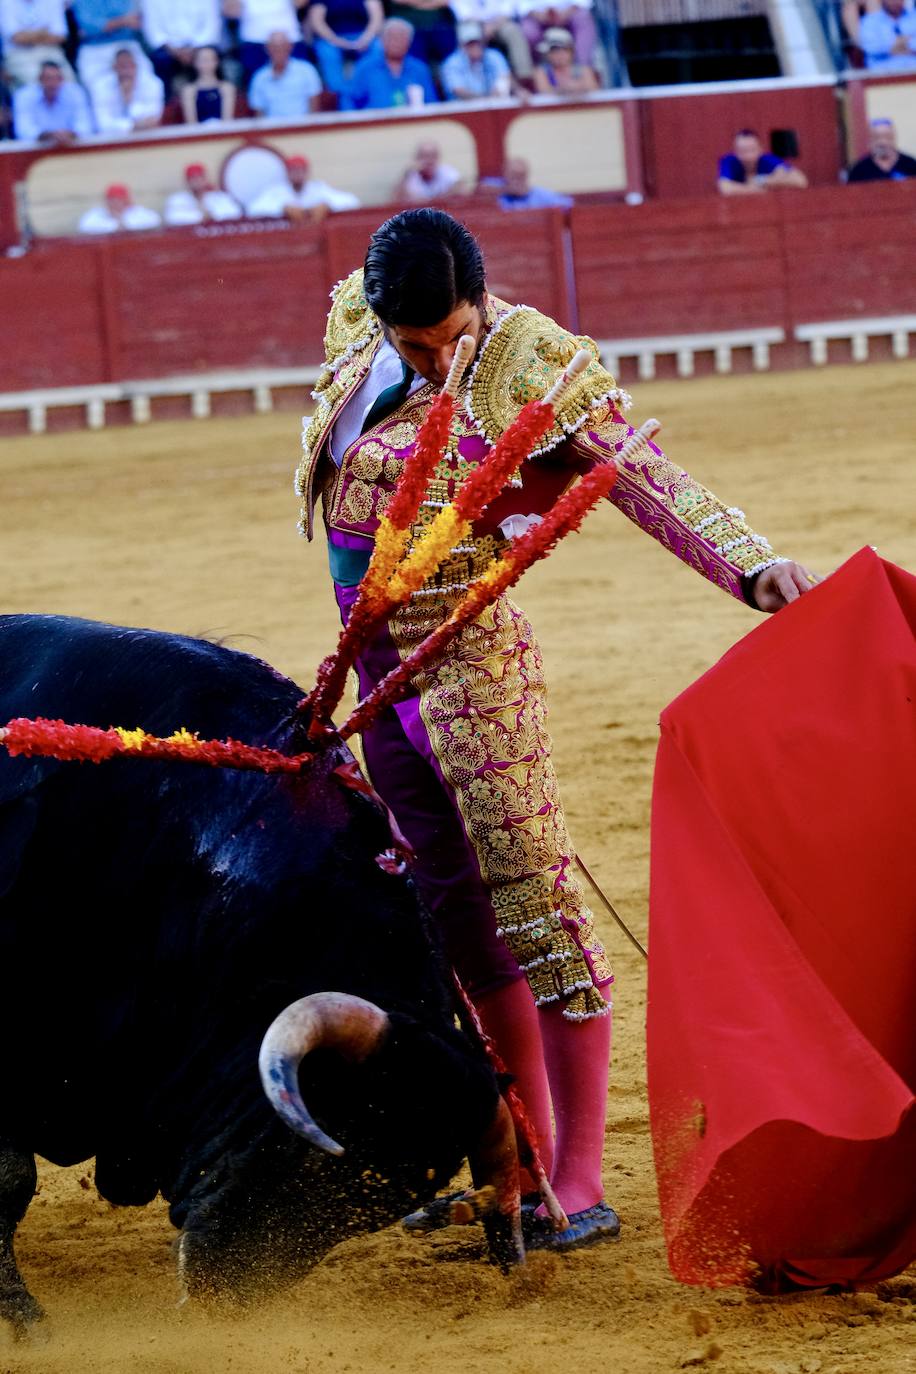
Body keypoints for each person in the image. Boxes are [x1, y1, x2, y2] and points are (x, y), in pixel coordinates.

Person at [295, 208, 818, 1251]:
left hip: (474, 667)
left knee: (536, 909)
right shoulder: (355, 324)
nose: (440, 359)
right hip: (376, 674)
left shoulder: (530, 357)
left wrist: (748, 563)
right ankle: (515, 1154)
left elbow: (640, 476)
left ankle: (575, 1176)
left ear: (480, 300)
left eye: (454, 337)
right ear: (378, 315)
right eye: (417, 347)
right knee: (448, 916)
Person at [342, 17, 436, 110]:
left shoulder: (420, 69)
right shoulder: (365, 67)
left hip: (414, 123)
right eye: (392, 37)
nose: (397, 42)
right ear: (382, 40)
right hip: (375, 123)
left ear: (410, 42)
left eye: (402, 38)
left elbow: (432, 104)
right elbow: (349, 101)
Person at [141, 0, 222, 97]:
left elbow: (211, 26)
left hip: (199, 45)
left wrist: (193, 49)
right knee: (160, 60)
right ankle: (167, 104)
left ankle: (212, 100)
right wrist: (174, 51)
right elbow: (153, 30)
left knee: (208, 58)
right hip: (168, 48)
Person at [306, 0, 384, 100]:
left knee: (377, 47)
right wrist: (338, 42)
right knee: (326, 52)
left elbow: (376, 18)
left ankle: (372, 88)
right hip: (332, 39)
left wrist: (365, 40)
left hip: (363, 37)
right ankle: (339, 94)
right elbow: (317, 22)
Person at [223, 0, 309, 86]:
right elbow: (231, 12)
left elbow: (300, 3)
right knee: (256, 84)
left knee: (298, 82)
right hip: (254, 41)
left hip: (288, 38)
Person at [247, 152, 359, 217]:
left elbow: (352, 201)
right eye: (293, 171)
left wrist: (327, 205)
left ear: (307, 172)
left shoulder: (317, 188)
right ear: (287, 173)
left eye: (301, 171)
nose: (297, 174)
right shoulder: (277, 191)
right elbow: (253, 209)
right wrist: (283, 209)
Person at [70, 0, 151, 87]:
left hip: (127, 44)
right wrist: (123, 21)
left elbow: (135, 20)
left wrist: (111, 24)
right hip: (94, 49)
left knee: (149, 82)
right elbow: (88, 28)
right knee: (98, 87)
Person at [88, 46, 165, 135]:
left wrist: (129, 101)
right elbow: (103, 124)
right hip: (113, 140)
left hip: (147, 136)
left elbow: (154, 118)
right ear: (114, 68)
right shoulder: (100, 87)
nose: (126, 72)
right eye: (122, 67)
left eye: (130, 66)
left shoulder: (153, 84)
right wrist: (132, 126)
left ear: (136, 66)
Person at [11, 56, 92, 141]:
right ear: (39, 79)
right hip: (38, 149)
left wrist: (71, 134)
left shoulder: (75, 92)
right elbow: (23, 130)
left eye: (57, 78)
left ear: (63, 79)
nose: (53, 83)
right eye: (48, 78)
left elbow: (85, 126)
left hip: (71, 146)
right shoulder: (24, 96)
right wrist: (47, 136)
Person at [247, 29, 322, 117]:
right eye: (274, 47)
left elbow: (314, 109)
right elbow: (259, 114)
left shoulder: (306, 70)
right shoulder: (259, 77)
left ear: (290, 47)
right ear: (267, 49)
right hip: (272, 129)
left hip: (303, 127)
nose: (279, 51)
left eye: (282, 46)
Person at [450, 0, 532, 80]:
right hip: (473, 24)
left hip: (500, 23)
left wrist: (492, 27)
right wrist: (482, 27)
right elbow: (463, 14)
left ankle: (524, 77)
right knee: (470, 35)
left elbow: (508, 10)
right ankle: (469, 81)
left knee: (512, 31)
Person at [0, 0, 72, 88]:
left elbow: (60, 37)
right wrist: (44, 32)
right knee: (37, 83)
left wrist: (27, 35)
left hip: (50, 51)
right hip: (19, 54)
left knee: (69, 82)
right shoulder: (5, 2)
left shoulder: (53, 1)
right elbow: (17, 38)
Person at [717, 127, 808, 195]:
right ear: (735, 152)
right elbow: (725, 188)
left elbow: (800, 181)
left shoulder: (768, 160)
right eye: (743, 151)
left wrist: (762, 180)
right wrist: (755, 190)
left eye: (752, 149)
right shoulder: (729, 162)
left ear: (760, 149)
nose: (748, 155)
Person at [517, 0, 597, 72]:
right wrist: (538, 15)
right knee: (527, 32)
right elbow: (518, 5)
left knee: (583, 20)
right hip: (534, 15)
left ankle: (584, 69)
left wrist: (566, 13)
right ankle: (534, 74)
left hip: (571, 12)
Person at [440, 19, 511, 98]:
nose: (475, 47)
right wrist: (485, 100)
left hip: (493, 103)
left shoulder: (494, 56)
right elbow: (458, 90)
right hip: (463, 107)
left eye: (477, 42)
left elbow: (504, 77)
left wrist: (497, 93)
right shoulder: (452, 63)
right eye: (470, 44)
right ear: (461, 45)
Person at [163, 162, 242, 225]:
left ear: (205, 179)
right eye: (193, 178)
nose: (197, 181)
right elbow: (172, 218)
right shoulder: (178, 200)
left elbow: (234, 213)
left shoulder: (219, 197)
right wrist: (200, 218)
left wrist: (213, 215)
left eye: (200, 177)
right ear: (187, 181)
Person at [179, 43, 236, 124]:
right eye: (203, 60)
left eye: (210, 59)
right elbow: (191, 123)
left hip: (222, 133)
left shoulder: (226, 87)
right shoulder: (189, 90)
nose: (207, 63)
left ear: (217, 62)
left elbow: (227, 121)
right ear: (195, 63)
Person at [531, 24, 597, 94]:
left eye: (564, 50)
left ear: (571, 52)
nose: (559, 55)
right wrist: (563, 90)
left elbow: (594, 89)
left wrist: (578, 87)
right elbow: (544, 91)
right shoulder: (542, 72)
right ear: (547, 54)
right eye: (554, 51)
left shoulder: (583, 69)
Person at [847, 116, 916, 181]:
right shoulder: (859, 170)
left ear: (894, 138)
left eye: (888, 137)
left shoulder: (910, 165)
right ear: (870, 140)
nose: (883, 142)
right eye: (877, 137)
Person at [77, 181, 161, 232]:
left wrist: (122, 222)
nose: (115, 203)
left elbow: (155, 221)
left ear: (127, 200)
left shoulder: (138, 212)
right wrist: (115, 225)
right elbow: (84, 226)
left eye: (119, 199)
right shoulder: (97, 214)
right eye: (112, 199)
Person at [395, 139, 462, 200]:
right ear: (417, 158)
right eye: (425, 156)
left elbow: (460, 189)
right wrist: (406, 176)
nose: (429, 160)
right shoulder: (410, 176)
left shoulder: (447, 172)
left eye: (433, 156)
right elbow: (396, 199)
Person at [497, 155, 572, 209]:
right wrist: (505, 190)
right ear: (505, 174)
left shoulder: (538, 194)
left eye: (521, 176)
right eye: (514, 176)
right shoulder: (496, 191)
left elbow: (568, 204)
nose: (517, 181)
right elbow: (486, 189)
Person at [858, 0, 916, 69]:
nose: (895, 1)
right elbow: (871, 48)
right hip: (882, 75)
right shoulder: (869, 21)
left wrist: (891, 47)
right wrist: (902, 44)